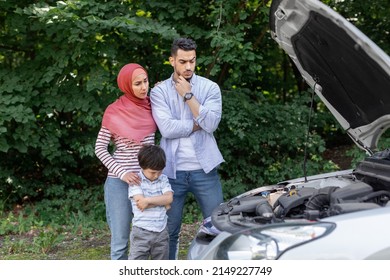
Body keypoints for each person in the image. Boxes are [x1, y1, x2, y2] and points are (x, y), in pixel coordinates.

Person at [150, 37, 224, 259]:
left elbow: (211, 124)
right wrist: (197, 123)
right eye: (183, 61)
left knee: (218, 228)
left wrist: (189, 96)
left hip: (206, 169)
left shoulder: (210, 88)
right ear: (172, 60)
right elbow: (167, 129)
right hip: (171, 173)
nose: (189, 66)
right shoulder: (159, 91)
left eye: (192, 60)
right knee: (169, 231)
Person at [95, 63, 157, 260]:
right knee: (120, 242)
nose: (143, 87)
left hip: (146, 183)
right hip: (118, 184)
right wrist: (122, 173)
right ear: (126, 85)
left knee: (146, 241)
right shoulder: (114, 111)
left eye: (145, 81)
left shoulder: (152, 106)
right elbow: (100, 149)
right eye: (137, 83)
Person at [128, 144, 173, 260]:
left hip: (161, 231)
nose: (157, 175)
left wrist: (148, 200)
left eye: (160, 171)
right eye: (153, 172)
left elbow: (169, 199)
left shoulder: (163, 179)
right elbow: (141, 204)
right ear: (142, 167)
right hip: (141, 231)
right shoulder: (135, 181)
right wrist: (162, 201)